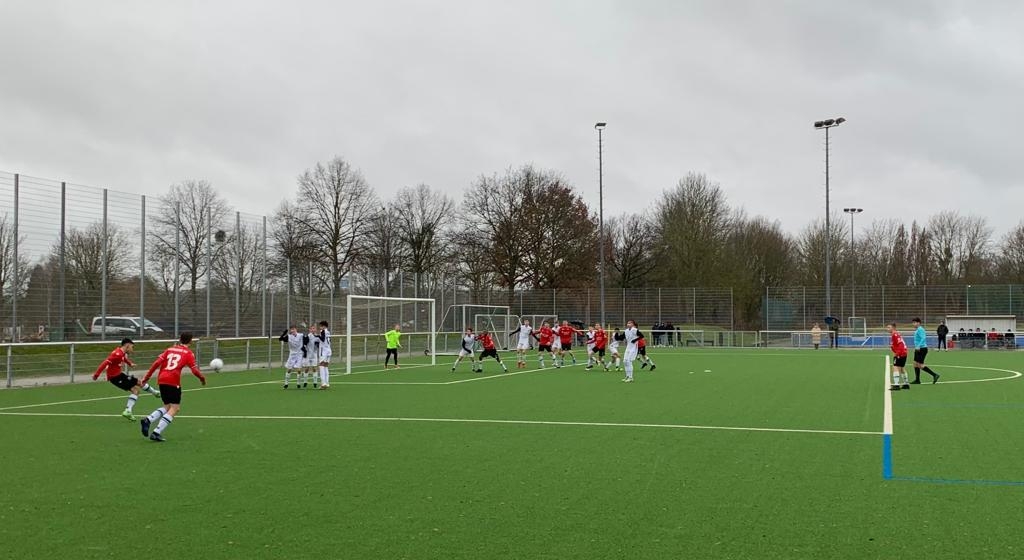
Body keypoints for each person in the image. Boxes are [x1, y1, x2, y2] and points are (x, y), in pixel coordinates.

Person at [140, 333, 206, 442]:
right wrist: (202, 378)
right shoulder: (189, 353)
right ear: (190, 341)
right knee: (175, 408)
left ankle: (148, 420)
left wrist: (146, 377)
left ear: (180, 339)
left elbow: (156, 363)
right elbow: (194, 370)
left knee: (167, 406)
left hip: (162, 379)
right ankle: (156, 432)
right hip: (173, 381)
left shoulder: (169, 349)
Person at [92, 337, 160, 421]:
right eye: (132, 347)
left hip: (119, 375)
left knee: (138, 383)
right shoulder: (117, 354)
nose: (132, 349)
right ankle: (129, 410)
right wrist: (96, 375)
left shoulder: (121, 352)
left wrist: (130, 364)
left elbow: (123, 358)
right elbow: (105, 363)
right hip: (115, 377)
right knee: (136, 390)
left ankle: (154, 393)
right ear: (127, 345)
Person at [910, 318, 940, 384]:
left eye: (914, 322)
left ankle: (935, 375)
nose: (913, 324)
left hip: (922, 349)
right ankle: (917, 380)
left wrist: (918, 346)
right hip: (918, 349)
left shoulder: (920, 329)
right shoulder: (918, 330)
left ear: (918, 323)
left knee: (920, 365)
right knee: (915, 364)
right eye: (913, 322)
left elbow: (923, 338)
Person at [887, 323, 910, 391]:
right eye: (887, 327)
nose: (887, 329)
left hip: (900, 354)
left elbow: (901, 345)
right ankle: (906, 384)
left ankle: (896, 385)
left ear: (893, 328)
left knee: (895, 367)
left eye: (889, 327)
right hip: (903, 353)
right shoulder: (895, 335)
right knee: (902, 368)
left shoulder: (895, 335)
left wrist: (897, 353)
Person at [316, 321, 332, 389]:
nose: (320, 327)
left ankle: (323, 383)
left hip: (323, 351)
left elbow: (322, 339)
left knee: (321, 365)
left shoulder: (322, 331)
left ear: (324, 326)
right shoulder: (328, 332)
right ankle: (327, 383)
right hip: (328, 349)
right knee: (325, 366)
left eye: (320, 326)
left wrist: (317, 335)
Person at [303, 324, 319, 388]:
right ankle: (305, 382)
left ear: (316, 329)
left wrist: (317, 344)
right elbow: (304, 343)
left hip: (314, 355)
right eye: (311, 328)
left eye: (314, 328)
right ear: (309, 330)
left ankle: (315, 383)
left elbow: (319, 345)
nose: (312, 330)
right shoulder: (308, 336)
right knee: (306, 368)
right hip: (308, 354)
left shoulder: (317, 336)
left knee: (314, 368)